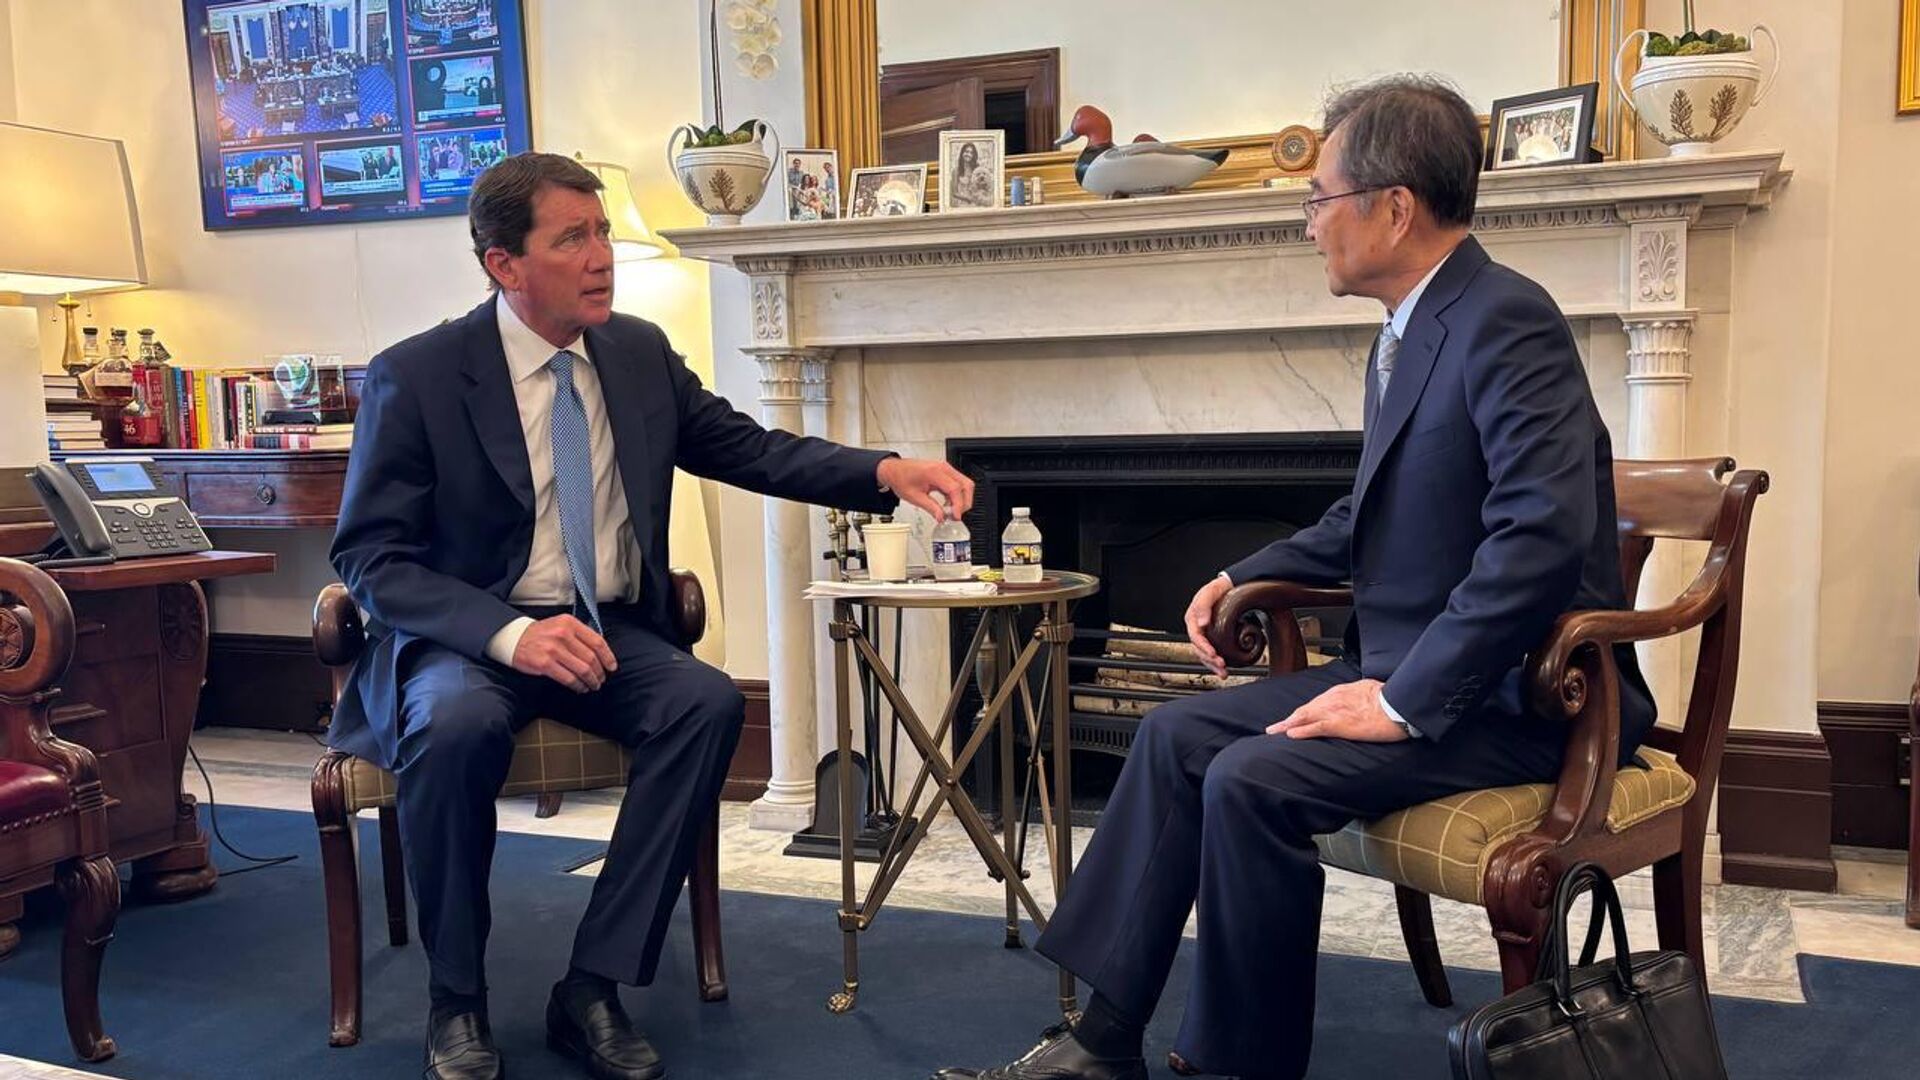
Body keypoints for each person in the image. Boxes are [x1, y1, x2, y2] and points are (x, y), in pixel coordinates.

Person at [932, 74, 1653, 1080]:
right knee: (1174, 734)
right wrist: (1239, 571)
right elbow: (1374, 513)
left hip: (1517, 695)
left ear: (1393, 208)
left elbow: (1539, 539)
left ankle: (1241, 1064)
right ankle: (1104, 1040)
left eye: (1319, 198)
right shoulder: (1412, 330)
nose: (1309, 222)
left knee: (1251, 780)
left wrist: (1399, 702)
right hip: (1410, 672)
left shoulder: (1506, 320)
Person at [330, 152, 973, 1080]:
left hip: (606, 629)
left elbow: (750, 448)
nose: (602, 256)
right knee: (456, 725)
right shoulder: (418, 375)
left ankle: (592, 984)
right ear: (504, 264)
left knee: (706, 703)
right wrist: (514, 635)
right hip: (471, 638)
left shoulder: (636, 353)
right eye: (572, 239)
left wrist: (883, 470)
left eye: (601, 233)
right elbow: (371, 557)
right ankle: (456, 999)